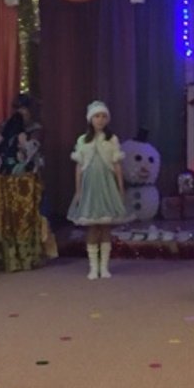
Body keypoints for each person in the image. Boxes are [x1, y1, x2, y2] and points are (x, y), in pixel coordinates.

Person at [0, 93, 46, 272]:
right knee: (4, 215)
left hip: (26, 179)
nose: (22, 112)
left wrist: (24, 143)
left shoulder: (35, 129)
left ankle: (25, 255)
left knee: (24, 217)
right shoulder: (8, 126)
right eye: (18, 108)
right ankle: (5, 255)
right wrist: (3, 138)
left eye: (25, 109)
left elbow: (34, 151)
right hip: (5, 177)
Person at [67, 101, 133, 279]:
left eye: (104, 116)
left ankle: (104, 267)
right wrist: (78, 190)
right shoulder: (83, 140)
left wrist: (120, 188)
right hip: (90, 188)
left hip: (106, 186)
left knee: (105, 226)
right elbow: (79, 167)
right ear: (90, 119)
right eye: (97, 116)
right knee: (92, 226)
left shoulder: (111, 139)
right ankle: (93, 267)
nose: (100, 120)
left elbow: (117, 166)